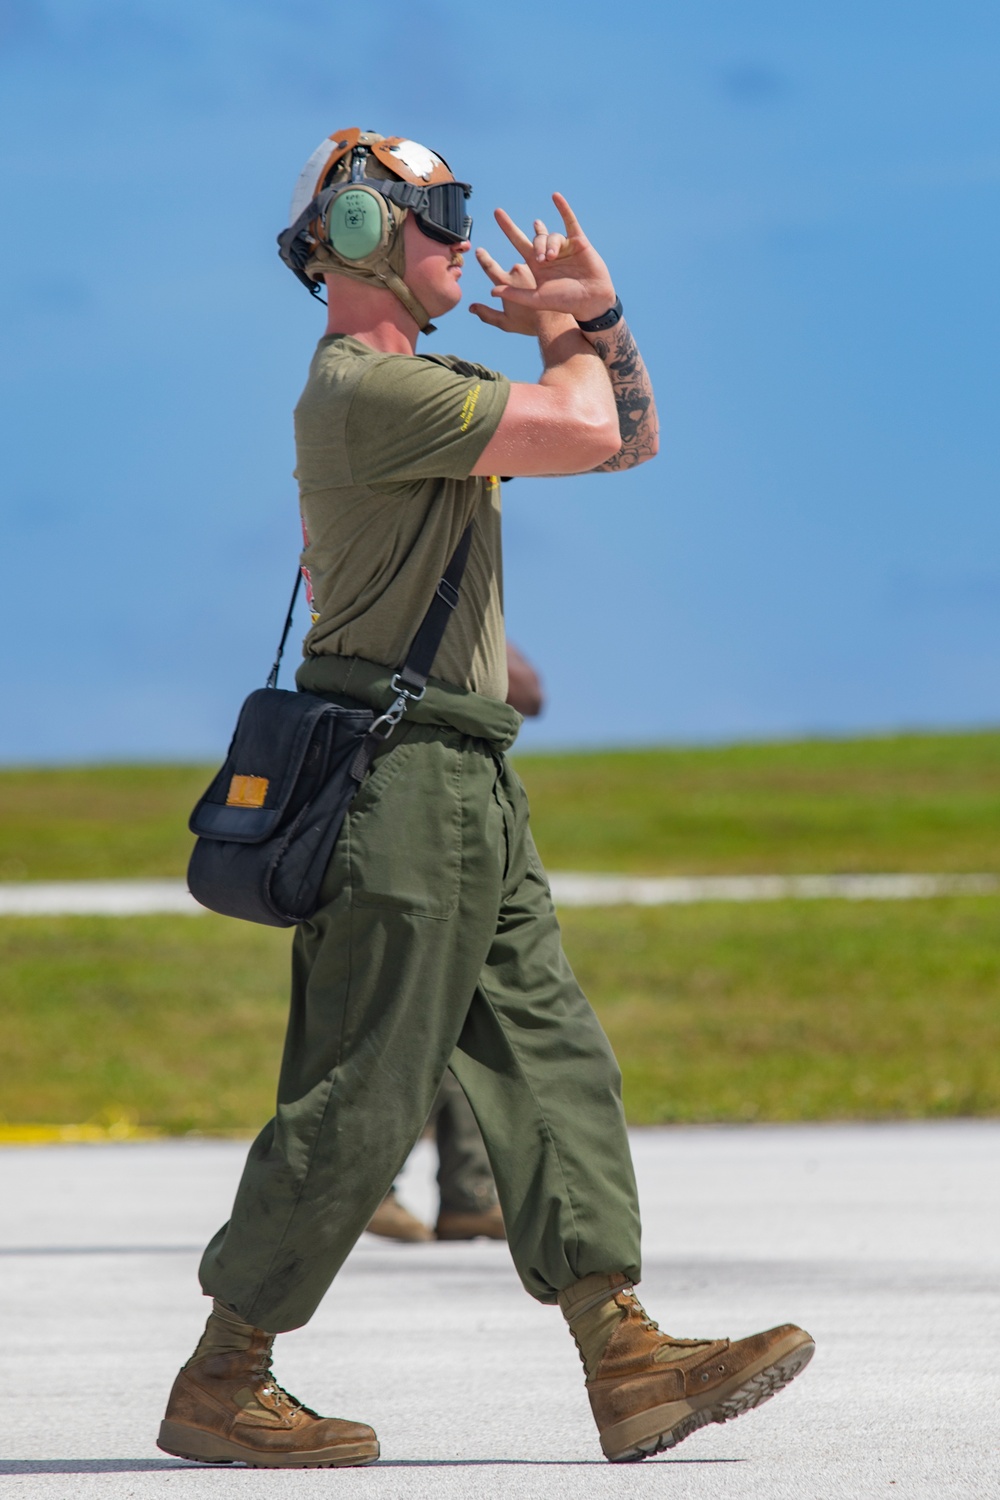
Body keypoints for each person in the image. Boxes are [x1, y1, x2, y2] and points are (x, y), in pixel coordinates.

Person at [157, 128, 814, 1471]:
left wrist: (591, 326)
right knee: (368, 1089)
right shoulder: (363, 391)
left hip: (464, 771)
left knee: (548, 1052)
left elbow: (621, 444)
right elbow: (592, 423)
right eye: (439, 208)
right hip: (408, 786)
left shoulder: (421, 387)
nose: (462, 232)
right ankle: (225, 1374)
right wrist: (583, 321)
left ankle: (625, 1356)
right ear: (353, 235)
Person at [368, 642, 543, 1243]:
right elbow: (527, 692)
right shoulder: (433, 579)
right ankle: (373, 1185)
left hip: (395, 813)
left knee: (455, 1007)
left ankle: (466, 1189)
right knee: (428, 1012)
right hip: (424, 814)